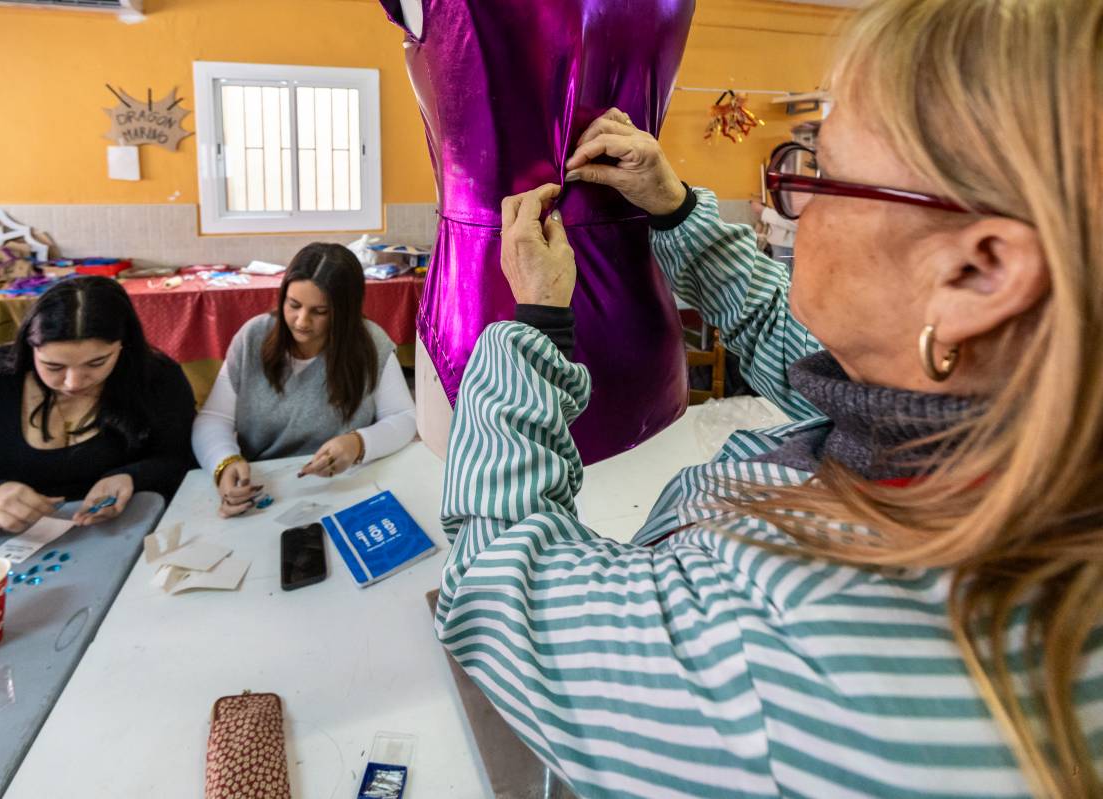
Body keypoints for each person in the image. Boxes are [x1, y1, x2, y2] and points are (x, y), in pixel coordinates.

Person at [434, 0, 1102, 796]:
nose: (794, 205)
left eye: (820, 174)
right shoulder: (995, 427)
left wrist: (536, 325)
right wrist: (674, 204)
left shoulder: (809, 671)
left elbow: (499, 590)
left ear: (979, 273)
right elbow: (787, 337)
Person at [0, 276, 196, 534]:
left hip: (123, 536)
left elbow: (183, 462)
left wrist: (132, 476)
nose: (73, 382)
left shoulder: (156, 376)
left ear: (123, 345)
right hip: (14, 544)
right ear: (30, 347)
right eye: (53, 366)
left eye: (97, 362)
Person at [192, 243, 416, 517]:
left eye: (319, 312)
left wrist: (358, 443)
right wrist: (224, 462)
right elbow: (214, 418)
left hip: (347, 488)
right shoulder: (253, 338)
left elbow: (404, 417)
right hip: (265, 489)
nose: (301, 321)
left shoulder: (371, 345)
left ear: (345, 311)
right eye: (293, 305)